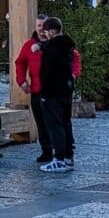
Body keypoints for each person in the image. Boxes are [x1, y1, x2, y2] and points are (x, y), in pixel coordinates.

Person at [35, 17, 79, 173]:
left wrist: (44, 94)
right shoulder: (67, 46)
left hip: (53, 92)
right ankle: (68, 157)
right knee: (66, 124)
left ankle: (58, 159)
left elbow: (47, 73)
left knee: (55, 126)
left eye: (46, 31)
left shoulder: (51, 48)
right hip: (65, 90)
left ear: (52, 31)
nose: (45, 34)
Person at [15, 21, 50, 165]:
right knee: (41, 123)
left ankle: (62, 151)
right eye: (39, 26)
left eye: (45, 26)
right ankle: (46, 151)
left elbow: (74, 58)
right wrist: (22, 81)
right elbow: (20, 62)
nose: (42, 29)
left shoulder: (56, 44)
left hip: (53, 91)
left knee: (55, 122)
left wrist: (72, 75)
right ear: (36, 28)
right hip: (36, 90)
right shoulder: (29, 45)